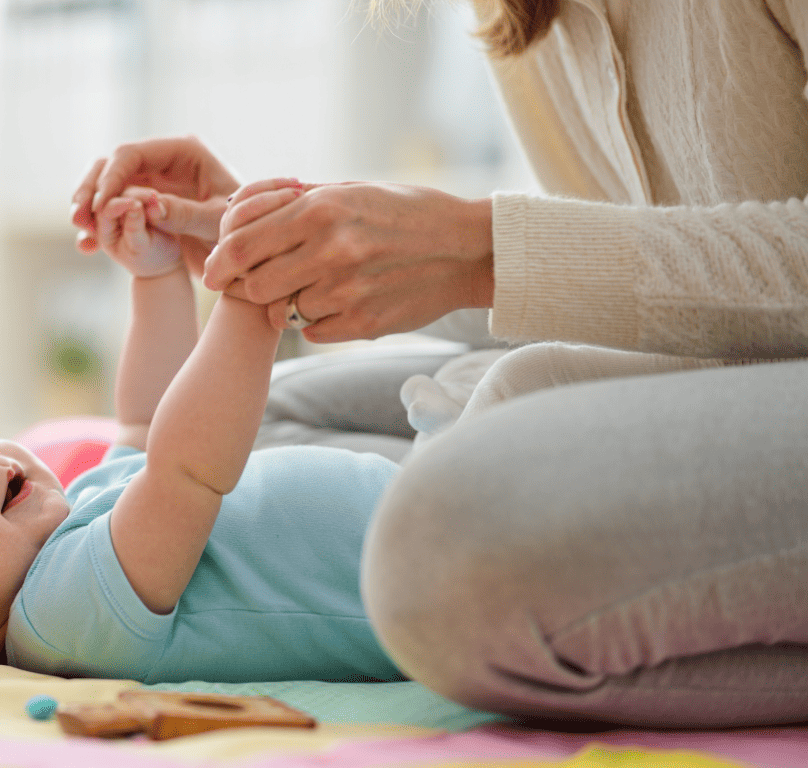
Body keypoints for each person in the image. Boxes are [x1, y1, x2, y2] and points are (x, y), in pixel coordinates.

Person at [70, 0, 808, 728]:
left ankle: (454, 563)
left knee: (444, 549)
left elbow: (159, 447)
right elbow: (615, 280)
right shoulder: (520, 15)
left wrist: (483, 251)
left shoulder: (68, 602)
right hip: (714, 362)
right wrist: (295, 246)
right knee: (261, 419)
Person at [0, 181, 404, 683]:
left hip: (412, 498)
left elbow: (149, 422)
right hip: (438, 574)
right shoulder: (63, 617)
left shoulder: (75, 531)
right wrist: (247, 300)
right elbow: (187, 470)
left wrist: (155, 277)